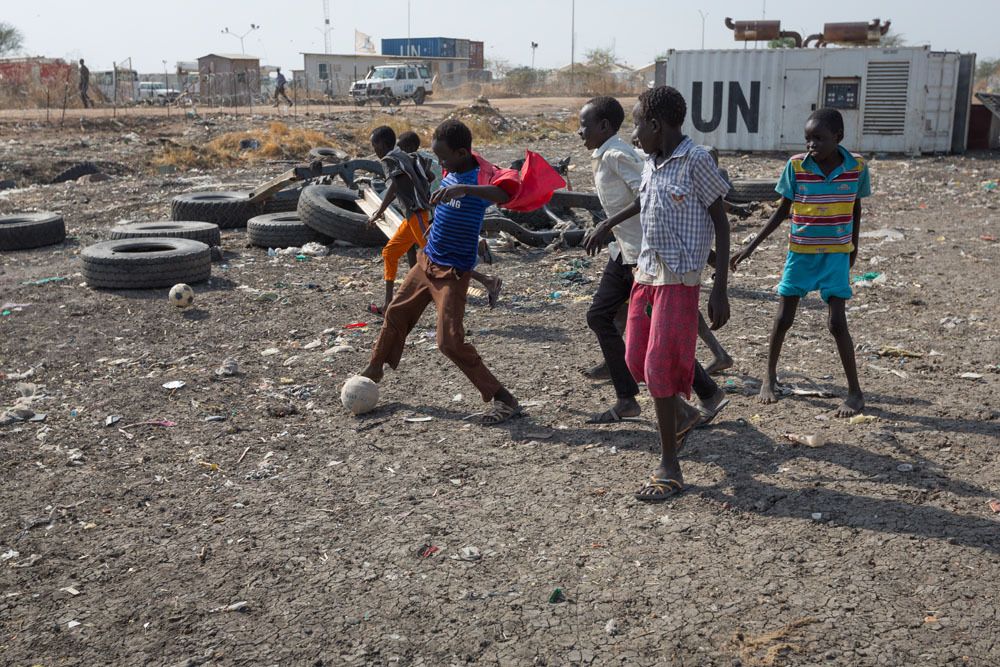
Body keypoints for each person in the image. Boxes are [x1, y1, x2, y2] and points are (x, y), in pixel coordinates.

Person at [360, 119, 562, 425]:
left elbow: (504, 195)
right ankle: (374, 368)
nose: (441, 164)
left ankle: (504, 399)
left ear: (463, 152)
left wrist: (463, 187)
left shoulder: (481, 175)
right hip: (427, 260)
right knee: (395, 314)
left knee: (449, 342)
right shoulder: (449, 168)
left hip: (452, 273)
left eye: (444, 158)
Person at [583, 86, 731, 501]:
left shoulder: (695, 161)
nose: (633, 135)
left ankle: (670, 465)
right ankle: (681, 414)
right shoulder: (651, 163)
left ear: (655, 124)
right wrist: (608, 223)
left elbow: (720, 221)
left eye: (636, 125)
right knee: (635, 360)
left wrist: (719, 288)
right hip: (646, 273)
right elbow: (644, 204)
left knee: (660, 367)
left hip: (679, 280)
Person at [730, 107, 869, 417]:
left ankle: (855, 393)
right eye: (807, 139)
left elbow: (855, 207)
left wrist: (854, 247)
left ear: (838, 137)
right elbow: (782, 211)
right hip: (801, 253)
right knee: (783, 318)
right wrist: (749, 247)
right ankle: (770, 376)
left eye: (818, 139)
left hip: (835, 254)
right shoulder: (796, 166)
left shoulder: (857, 166)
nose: (811, 146)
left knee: (837, 323)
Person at [365, 125, 502, 316]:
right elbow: (426, 176)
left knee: (438, 261)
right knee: (390, 253)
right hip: (411, 216)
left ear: (384, 144)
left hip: (417, 213)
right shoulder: (406, 156)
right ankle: (390, 303)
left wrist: (383, 209)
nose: (374, 150)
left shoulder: (391, 160)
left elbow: (395, 186)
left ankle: (487, 281)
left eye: (375, 145)